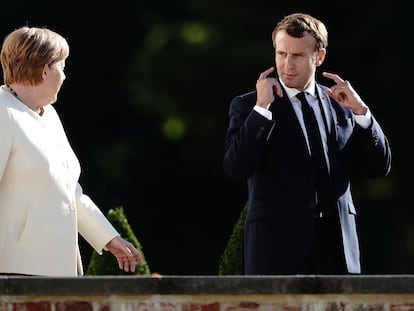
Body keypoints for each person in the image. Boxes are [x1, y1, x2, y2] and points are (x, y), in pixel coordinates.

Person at [223, 13, 392, 275]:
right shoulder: (249, 105)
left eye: (298, 56)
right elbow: (236, 168)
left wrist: (361, 111)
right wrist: (261, 110)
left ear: (319, 57)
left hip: (338, 251)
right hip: (276, 252)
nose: (287, 64)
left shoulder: (342, 105)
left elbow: (379, 167)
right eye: (281, 54)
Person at [0, 26, 145, 277]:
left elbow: (69, 190)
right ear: (44, 69)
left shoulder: (49, 115)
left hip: (60, 272)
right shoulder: (3, 111)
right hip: (15, 272)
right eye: (62, 67)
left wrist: (109, 238)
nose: (65, 77)